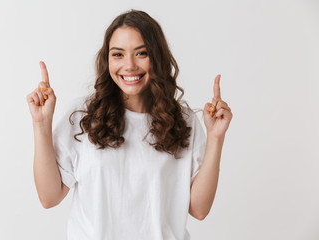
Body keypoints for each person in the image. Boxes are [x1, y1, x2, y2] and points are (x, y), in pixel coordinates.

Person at [26, 9, 233, 240]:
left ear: (157, 57)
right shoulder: (83, 116)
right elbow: (49, 197)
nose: (130, 65)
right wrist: (41, 125)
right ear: (107, 59)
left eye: (141, 53)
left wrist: (216, 138)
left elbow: (199, 209)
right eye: (118, 55)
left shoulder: (183, 121)